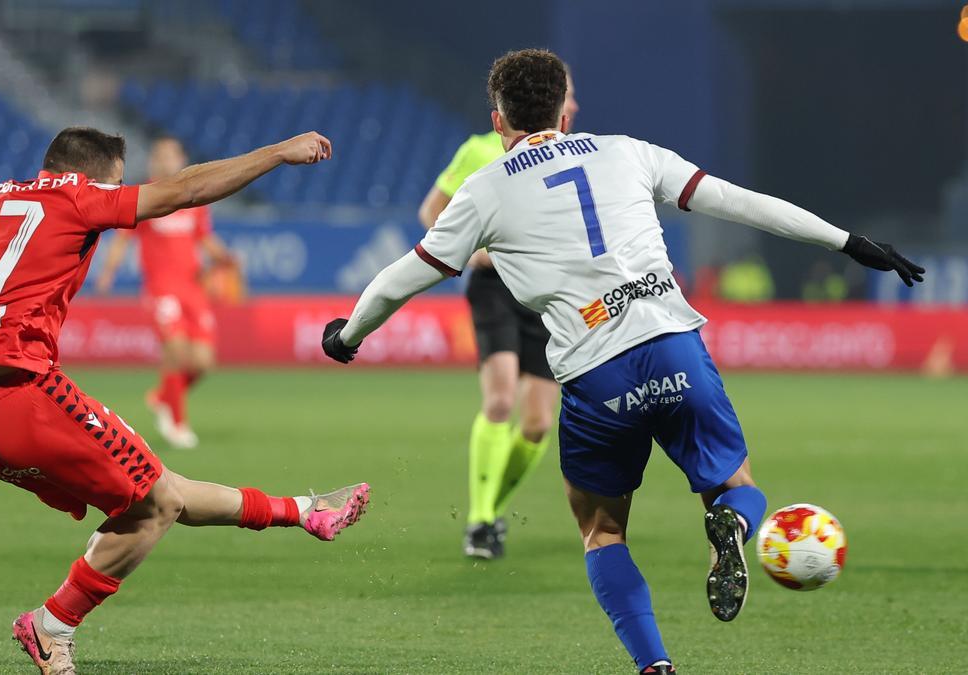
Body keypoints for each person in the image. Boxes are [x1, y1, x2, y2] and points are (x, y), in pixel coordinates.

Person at [320, 49, 923, 674]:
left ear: (498, 120)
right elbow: (742, 202)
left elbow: (402, 276)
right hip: (673, 346)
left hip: (594, 374)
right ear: (564, 108)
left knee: (602, 532)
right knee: (738, 488)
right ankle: (733, 529)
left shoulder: (484, 190)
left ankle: (654, 665)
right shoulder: (627, 152)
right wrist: (848, 241)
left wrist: (347, 335)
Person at [0, 126, 369, 675]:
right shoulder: (76, 196)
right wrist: (276, 152)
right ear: (95, 174)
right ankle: (51, 625)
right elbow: (182, 191)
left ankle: (304, 511)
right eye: (116, 183)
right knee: (157, 503)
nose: (117, 194)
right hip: (25, 392)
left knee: (158, 491)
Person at [416, 68, 579, 560]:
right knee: (502, 400)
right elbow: (433, 212)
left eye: (572, 95)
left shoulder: (576, 154)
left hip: (547, 293)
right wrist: (473, 251)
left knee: (535, 425)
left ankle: (489, 513)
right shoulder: (479, 150)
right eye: (567, 94)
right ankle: (480, 521)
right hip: (494, 288)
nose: (571, 103)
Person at [95, 135, 237, 448]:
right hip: (162, 288)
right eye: (158, 156)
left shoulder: (194, 201)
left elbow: (204, 238)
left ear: (182, 160)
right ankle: (177, 422)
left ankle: (162, 397)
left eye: (170, 156)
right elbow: (121, 240)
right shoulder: (145, 197)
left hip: (193, 287)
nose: (163, 161)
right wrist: (108, 273)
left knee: (202, 362)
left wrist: (225, 260)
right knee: (175, 352)